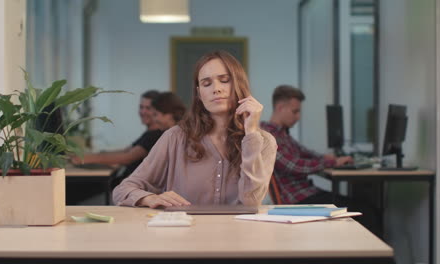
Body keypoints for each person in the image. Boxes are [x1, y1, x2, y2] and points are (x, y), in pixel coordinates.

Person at [113, 50, 277, 208]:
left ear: (239, 84)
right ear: (199, 93)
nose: (216, 89)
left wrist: (251, 134)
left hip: (240, 234)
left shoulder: (265, 142)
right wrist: (149, 198)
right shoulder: (175, 137)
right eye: (206, 83)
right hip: (185, 233)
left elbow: (251, 202)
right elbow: (122, 191)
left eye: (225, 80)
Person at [261, 84, 381, 236]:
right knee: (366, 212)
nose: (298, 117)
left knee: (365, 207)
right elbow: (293, 165)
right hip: (297, 201)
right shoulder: (267, 136)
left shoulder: (282, 134)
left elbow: (304, 152)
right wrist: (331, 163)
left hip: (305, 194)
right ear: (279, 108)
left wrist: (325, 157)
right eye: (295, 112)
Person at [71, 90, 163, 173]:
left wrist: (85, 158)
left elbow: (127, 158)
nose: (143, 112)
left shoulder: (154, 136)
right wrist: (93, 154)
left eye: (148, 108)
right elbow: (125, 151)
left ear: (157, 111)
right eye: (141, 107)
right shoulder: (148, 134)